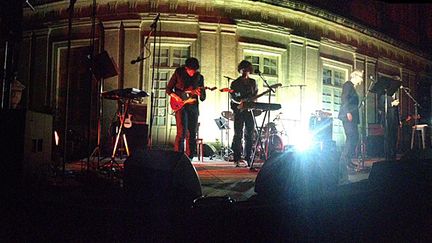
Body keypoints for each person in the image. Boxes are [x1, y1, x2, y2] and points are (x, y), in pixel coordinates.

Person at [166, 57, 206, 158]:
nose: (192, 73)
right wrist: (176, 97)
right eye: (190, 70)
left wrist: (201, 93)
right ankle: (177, 157)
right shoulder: (179, 73)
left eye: (194, 71)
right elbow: (168, 89)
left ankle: (189, 157)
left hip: (193, 107)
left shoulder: (199, 77)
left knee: (192, 133)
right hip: (181, 106)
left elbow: (203, 97)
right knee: (181, 132)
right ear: (186, 68)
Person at [230, 60, 258, 168]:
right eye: (243, 69)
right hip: (239, 111)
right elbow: (233, 97)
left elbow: (255, 95)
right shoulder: (235, 83)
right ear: (240, 70)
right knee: (238, 134)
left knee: (249, 134)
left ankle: (248, 157)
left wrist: (252, 103)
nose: (244, 72)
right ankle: (237, 158)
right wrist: (240, 102)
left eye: (246, 69)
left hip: (249, 111)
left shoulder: (253, 82)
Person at [337, 69, 363, 185]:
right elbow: (344, 98)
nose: (362, 80)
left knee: (354, 137)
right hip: (348, 116)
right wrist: (347, 112)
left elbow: (352, 101)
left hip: (352, 115)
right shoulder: (348, 85)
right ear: (355, 76)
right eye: (361, 77)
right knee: (351, 137)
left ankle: (348, 160)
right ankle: (343, 161)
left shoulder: (352, 87)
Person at [378, 94, 400, 160]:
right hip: (387, 120)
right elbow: (380, 107)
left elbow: (397, 110)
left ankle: (394, 155)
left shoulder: (396, 95)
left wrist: (399, 120)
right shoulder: (383, 96)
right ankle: (387, 156)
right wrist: (391, 104)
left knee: (394, 138)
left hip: (395, 120)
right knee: (388, 138)